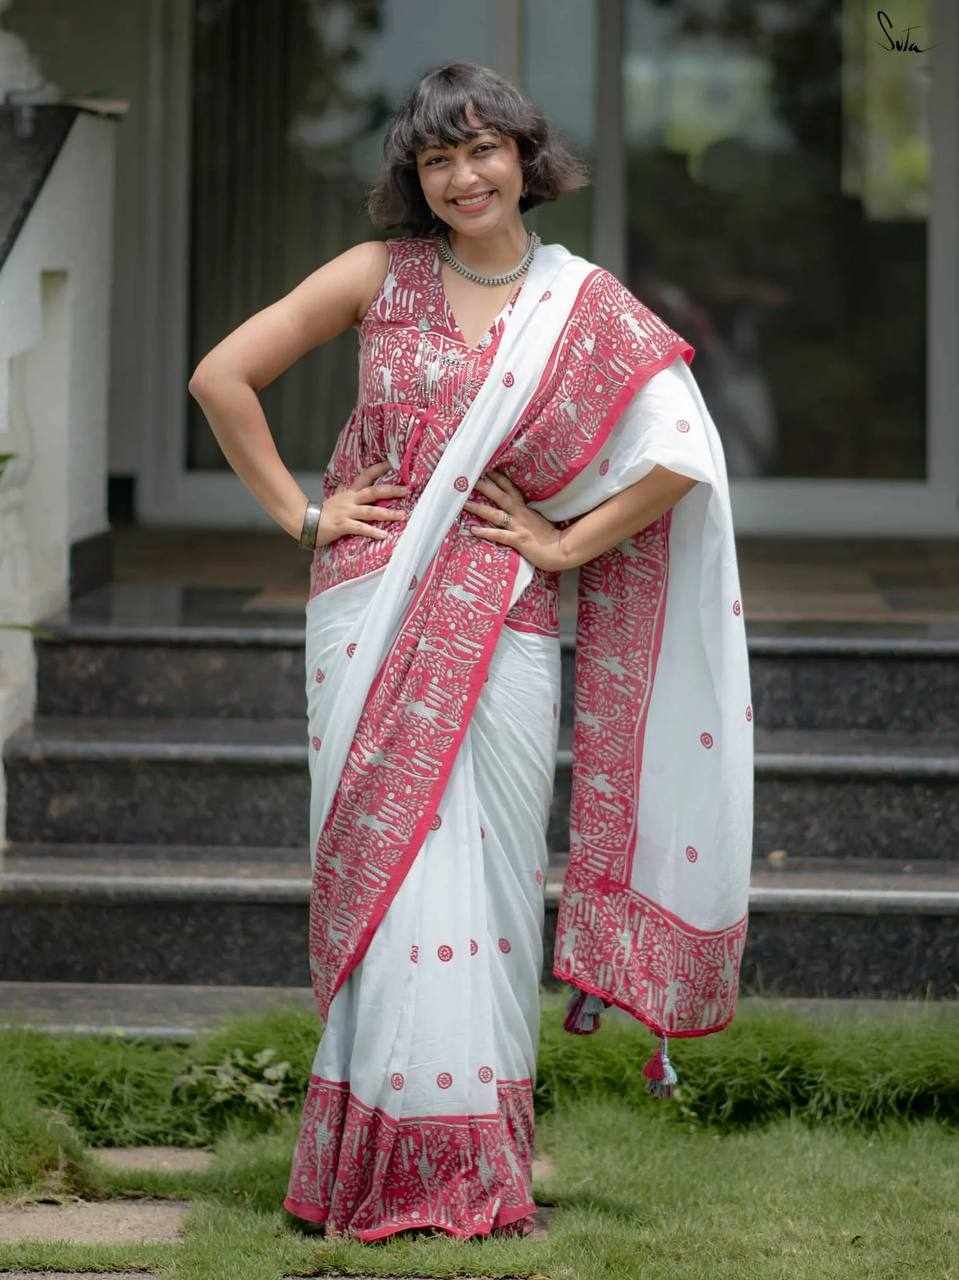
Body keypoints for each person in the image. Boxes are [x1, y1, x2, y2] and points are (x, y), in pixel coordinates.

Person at [188, 60, 753, 1245]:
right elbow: (220, 376)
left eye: (481, 149)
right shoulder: (373, 275)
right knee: (386, 878)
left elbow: (680, 454)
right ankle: (379, 1163)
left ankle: (483, 1154)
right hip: (367, 607)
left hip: (502, 614)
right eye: (436, 158)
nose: (461, 176)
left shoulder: (581, 302)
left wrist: (564, 543)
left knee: (490, 884)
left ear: (523, 159)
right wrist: (304, 514)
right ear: (415, 176)